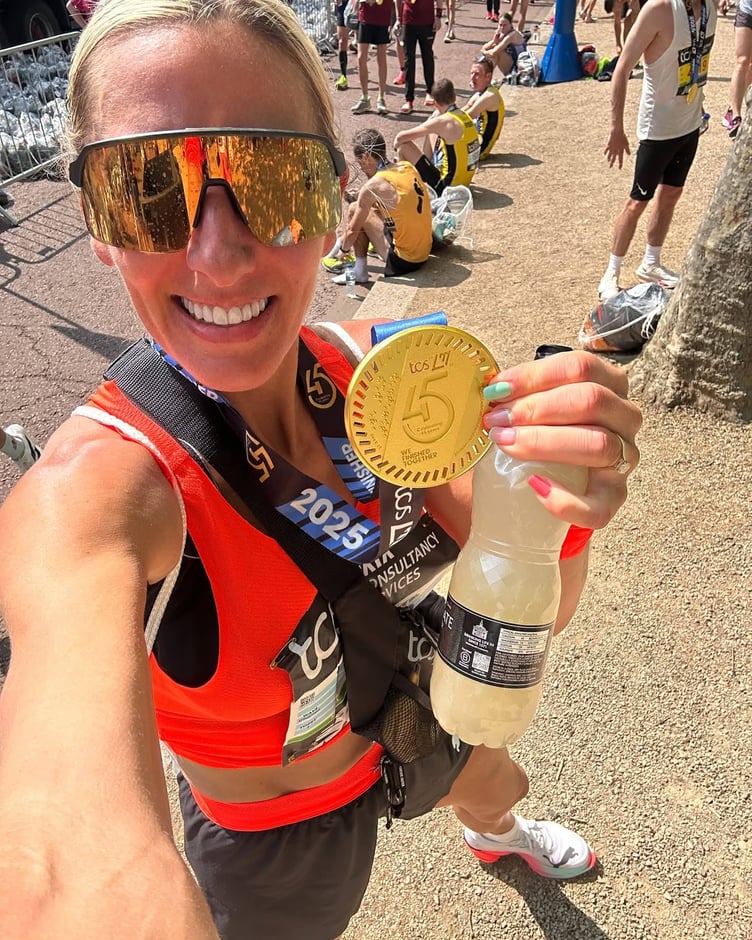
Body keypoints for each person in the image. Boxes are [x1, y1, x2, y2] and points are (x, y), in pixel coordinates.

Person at [0, 2, 642, 939]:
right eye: (146, 188)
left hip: (419, 709)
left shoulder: (389, 377)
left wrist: (554, 500)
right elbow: (68, 853)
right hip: (282, 836)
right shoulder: (95, 495)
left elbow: (528, 609)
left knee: (501, 782)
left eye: (272, 179)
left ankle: (495, 834)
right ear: (97, 224)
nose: (219, 256)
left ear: (337, 194)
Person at [597, 0, 717, 300]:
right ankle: (611, 272)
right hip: (658, 129)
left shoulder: (710, 7)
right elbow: (622, 69)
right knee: (638, 202)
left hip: (689, 124)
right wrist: (616, 129)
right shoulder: (659, 9)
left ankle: (651, 262)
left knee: (671, 195)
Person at [327, 128, 433, 285]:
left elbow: (352, 230)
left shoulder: (372, 186)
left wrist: (342, 250)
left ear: (366, 157)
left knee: (355, 209)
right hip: (425, 251)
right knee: (369, 207)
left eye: (360, 163)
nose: (361, 168)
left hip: (405, 260)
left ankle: (359, 272)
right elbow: (397, 201)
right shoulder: (407, 166)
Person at [394, 78, 482, 193]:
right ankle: (422, 173)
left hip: (446, 188)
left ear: (435, 102)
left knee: (403, 147)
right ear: (454, 97)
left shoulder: (443, 122)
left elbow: (400, 137)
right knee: (434, 119)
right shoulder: (464, 116)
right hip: (464, 183)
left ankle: (405, 191)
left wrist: (396, 146)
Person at [396, 0, 441, 114]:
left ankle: (430, 91)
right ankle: (409, 100)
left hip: (427, 21)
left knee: (427, 57)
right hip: (408, 21)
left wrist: (438, 16)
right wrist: (398, 18)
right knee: (409, 61)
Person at [352, 0, 392, 114]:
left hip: (382, 18)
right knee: (361, 58)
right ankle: (365, 98)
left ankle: (381, 98)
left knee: (381, 58)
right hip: (365, 18)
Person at [720, 0, 752, 138]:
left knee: (751, 66)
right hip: (747, 11)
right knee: (742, 60)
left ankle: (743, 107)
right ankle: (734, 114)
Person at [465, 55, 506, 159]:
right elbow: (462, 110)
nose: (472, 78)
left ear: (488, 76)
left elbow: (466, 117)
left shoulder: (490, 96)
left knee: (443, 123)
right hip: (475, 141)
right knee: (439, 116)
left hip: (479, 150)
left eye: (477, 74)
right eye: (471, 73)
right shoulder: (482, 93)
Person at [481, 12, 528, 77]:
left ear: (510, 25)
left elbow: (493, 52)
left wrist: (484, 52)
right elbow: (484, 47)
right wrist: (494, 41)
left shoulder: (512, 35)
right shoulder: (503, 33)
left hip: (519, 68)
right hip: (513, 64)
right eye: (500, 25)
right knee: (494, 49)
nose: (502, 27)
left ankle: (484, 77)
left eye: (505, 25)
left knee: (498, 52)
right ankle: (484, 76)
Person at [334, 0, 351, 89]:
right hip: (343, 7)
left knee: (363, 46)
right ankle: (343, 76)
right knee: (342, 42)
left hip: (358, 6)